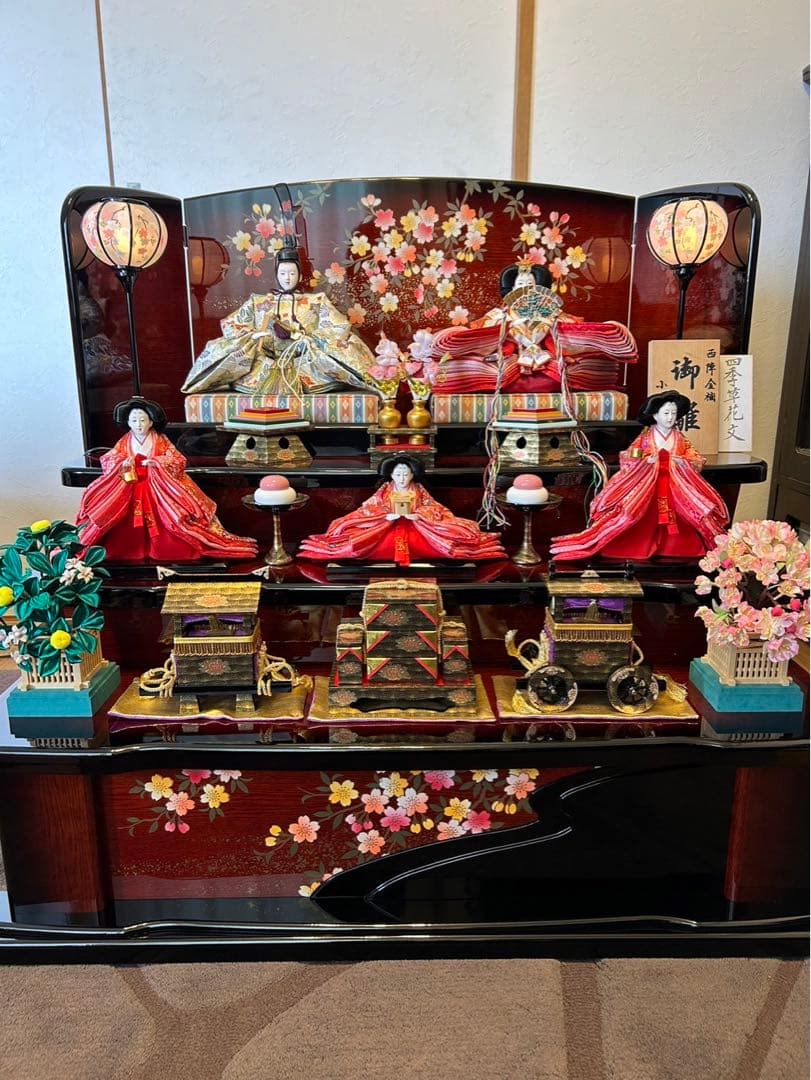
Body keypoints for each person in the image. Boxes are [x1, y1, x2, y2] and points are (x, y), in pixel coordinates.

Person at [549, 390, 729, 561]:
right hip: (648, 485)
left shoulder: (679, 438)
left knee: (683, 517)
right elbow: (629, 456)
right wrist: (646, 460)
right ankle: (633, 546)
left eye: (673, 413)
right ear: (655, 415)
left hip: (674, 486)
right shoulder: (646, 437)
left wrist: (682, 461)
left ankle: (676, 547)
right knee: (635, 515)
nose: (670, 418)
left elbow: (694, 457)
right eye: (666, 413)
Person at [181, 240, 375, 395]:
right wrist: (253, 335)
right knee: (224, 347)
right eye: (283, 273)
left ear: (300, 276)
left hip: (307, 364)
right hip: (263, 364)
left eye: (292, 273)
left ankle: (377, 383)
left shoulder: (317, 301)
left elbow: (337, 327)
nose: (287, 278)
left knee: (346, 346)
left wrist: (308, 339)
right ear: (276, 275)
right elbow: (233, 324)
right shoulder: (258, 302)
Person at [76, 397, 258, 562]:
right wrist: (123, 462)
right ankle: (128, 550)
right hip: (130, 485)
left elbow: (177, 460)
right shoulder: (125, 441)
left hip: (157, 485)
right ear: (127, 422)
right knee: (119, 519)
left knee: (172, 517)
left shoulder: (160, 440)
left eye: (142, 420)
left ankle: (167, 548)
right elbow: (110, 458)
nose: (138, 425)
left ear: (151, 422)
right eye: (134, 421)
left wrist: (156, 462)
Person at [430, 263, 638, 394]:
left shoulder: (551, 312)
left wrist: (549, 325)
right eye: (520, 285)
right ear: (511, 289)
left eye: (530, 285)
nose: (526, 290)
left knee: (567, 371)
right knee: (490, 371)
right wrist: (506, 329)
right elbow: (481, 332)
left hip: (544, 361)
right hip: (511, 363)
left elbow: (571, 330)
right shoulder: (500, 314)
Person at [298, 454, 506, 566]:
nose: (402, 478)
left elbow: (433, 507)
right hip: (386, 527)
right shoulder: (385, 490)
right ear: (391, 475)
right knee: (355, 540)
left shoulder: (419, 490)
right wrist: (386, 516)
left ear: (413, 475)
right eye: (398, 474)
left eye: (406, 474)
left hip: (418, 528)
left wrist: (419, 515)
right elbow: (369, 507)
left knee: (448, 542)